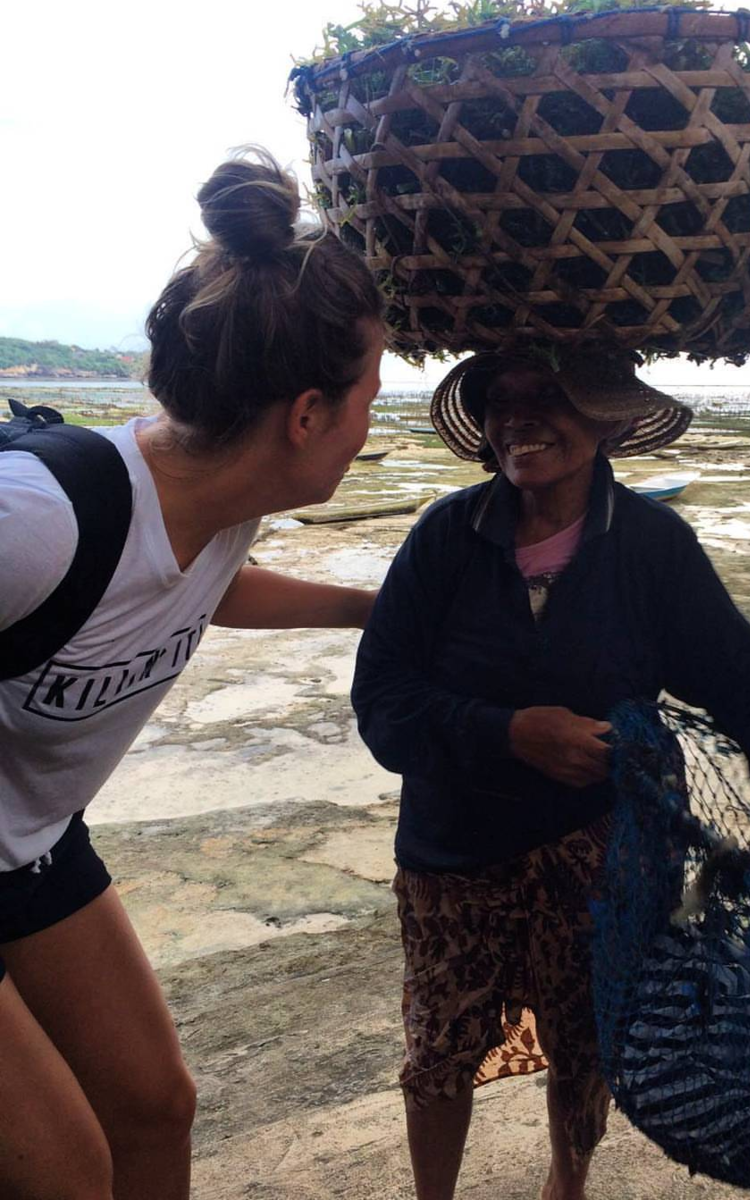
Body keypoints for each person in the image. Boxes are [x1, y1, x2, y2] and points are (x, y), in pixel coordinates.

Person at [351, 346, 750, 1200]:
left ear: (606, 420)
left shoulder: (651, 545)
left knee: (588, 1041)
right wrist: (509, 733)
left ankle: (566, 1185)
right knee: (438, 1049)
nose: (519, 415)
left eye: (549, 394)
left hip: (603, 848)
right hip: (453, 849)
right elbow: (383, 700)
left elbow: (737, 683)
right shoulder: (444, 537)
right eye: (501, 398)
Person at [0, 148, 385, 1200]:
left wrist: (371, 609)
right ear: (306, 416)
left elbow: (190, 586)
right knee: (66, 1173)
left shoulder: (219, 508)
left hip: (32, 843)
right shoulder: (36, 520)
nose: (367, 430)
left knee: (155, 1108)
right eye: (368, 398)